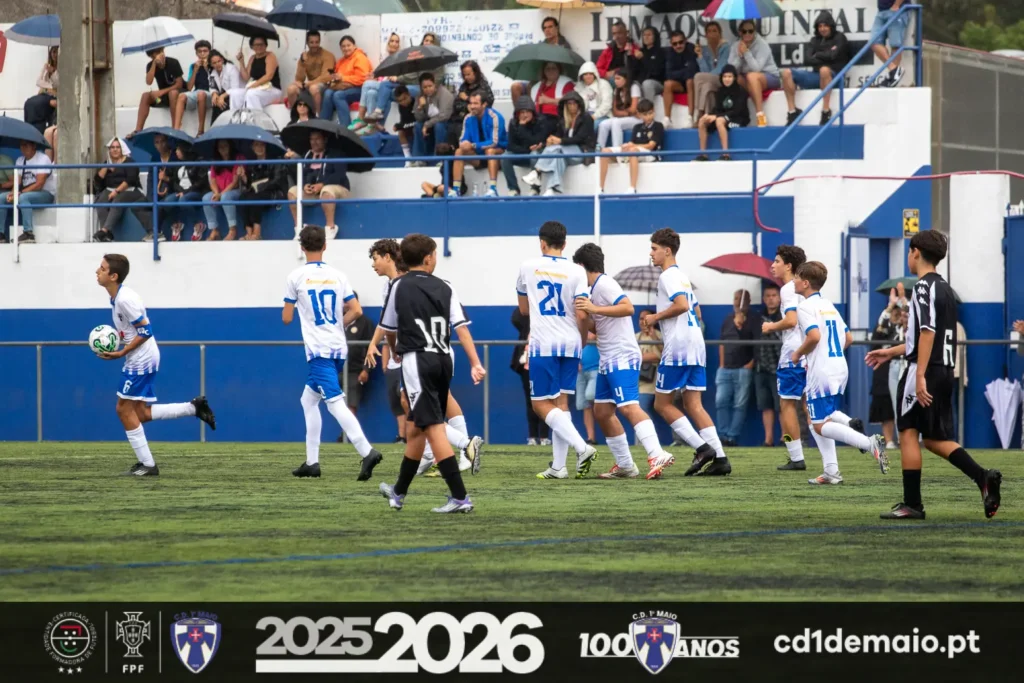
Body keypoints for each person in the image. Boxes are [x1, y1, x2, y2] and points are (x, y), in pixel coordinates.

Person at [867, 232, 1001, 519]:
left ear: (915, 252)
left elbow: (927, 333)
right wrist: (891, 351)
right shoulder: (945, 288)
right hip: (943, 369)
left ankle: (912, 504)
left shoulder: (923, 287)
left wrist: (919, 376)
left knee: (908, 432)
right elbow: (929, 336)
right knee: (933, 438)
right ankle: (982, 476)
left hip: (924, 370)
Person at [378, 234, 487, 513]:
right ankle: (399, 491)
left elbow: (389, 329)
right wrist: (475, 362)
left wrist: (395, 351)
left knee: (433, 426)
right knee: (416, 428)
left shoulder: (398, 286)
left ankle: (460, 497)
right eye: (435, 254)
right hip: (443, 360)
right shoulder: (446, 286)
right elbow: (461, 327)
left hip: (417, 360)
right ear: (428, 258)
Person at [94, 254, 217, 477]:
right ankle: (193, 408)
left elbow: (146, 331)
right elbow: (134, 331)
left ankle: (148, 465)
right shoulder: (117, 297)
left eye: (102, 269)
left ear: (114, 276)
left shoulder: (124, 300)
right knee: (139, 413)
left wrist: (121, 352)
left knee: (123, 409)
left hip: (141, 359)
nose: (97, 271)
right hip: (141, 356)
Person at [283, 226, 383, 481]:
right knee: (308, 400)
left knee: (334, 402)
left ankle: (366, 450)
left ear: (302, 247)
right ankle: (312, 462)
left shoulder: (295, 276)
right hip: (339, 347)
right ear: (325, 245)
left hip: (318, 349)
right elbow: (357, 310)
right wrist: (337, 322)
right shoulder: (338, 275)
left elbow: (286, 318)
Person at [574, 243, 676, 480]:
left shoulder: (605, 283)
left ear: (581, 266)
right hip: (608, 357)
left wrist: (592, 307)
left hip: (622, 355)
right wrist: (583, 314)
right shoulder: (592, 290)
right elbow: (598, 325)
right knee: (601, 411)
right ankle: (625, 465)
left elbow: (628, 308)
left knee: (629, 407)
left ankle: (656, 453)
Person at [790, 262, 887, 485]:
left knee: (819, 425)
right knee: (820, 415)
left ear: (805, 283)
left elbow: (813, 337)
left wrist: (797, 354)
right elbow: (849, 339)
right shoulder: (828, 305)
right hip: (838, 367)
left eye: (796, 277)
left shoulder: (804, 307)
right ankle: (831, 472)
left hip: (822, 372)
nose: (793, 281)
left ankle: (869, 443)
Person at [640, 228, 728, 475]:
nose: (651, 253)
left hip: (678, 347)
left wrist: (655, 316)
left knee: (662, 404)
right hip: (695, 346)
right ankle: (720, 459)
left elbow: (681, 305)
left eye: (654, 248)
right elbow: (696, 312)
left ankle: (702, 448)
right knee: (693, 404)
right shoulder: (683, 277)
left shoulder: (668, 276)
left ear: (667, 250)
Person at [518, 221, 599, 479]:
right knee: (562, 402)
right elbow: (582, 312)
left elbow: (523, 310)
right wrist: (582, 339)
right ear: (565, 244)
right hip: (571, 341)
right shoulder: (577, 272)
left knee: (540, 404)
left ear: (542, 242)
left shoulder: (528, 267)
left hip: (544, 342)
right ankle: (558, 466)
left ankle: (582, 447)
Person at [763, 245, 809, 469]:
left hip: (793, 354)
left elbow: (791, 321)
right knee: (810, 407)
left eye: (777, 261)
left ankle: (796, 457)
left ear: (789, 266)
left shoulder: (788, 289)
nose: (773, 265)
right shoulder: (806, 288)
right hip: (810, 354)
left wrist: (771, 326)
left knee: (786, 404)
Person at [366, 239, 407, 444]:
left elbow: (390, 324)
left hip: (418, 350)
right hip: (404, 352)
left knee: (414, 403)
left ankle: (461, 442)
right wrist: (375, 344)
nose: (373, 265)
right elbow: (386, 321)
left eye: (375, 259)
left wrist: (391, 347)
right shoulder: (388, 287)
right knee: (406, 402)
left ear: (387, 257)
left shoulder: (407, 282)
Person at [781, 11, 851, 126]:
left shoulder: (840, 38)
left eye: (825, 25)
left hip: (835, 77)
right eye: (820, 26)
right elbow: (807, 59)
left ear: (831, 26)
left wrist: (817, 55)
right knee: (786, 73)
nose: (823, 29)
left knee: (824, 70)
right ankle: (792, 112)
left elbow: (833, 56)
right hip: (816, 76)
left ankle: (826, 111)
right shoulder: (814, 40)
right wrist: (826, 55)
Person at [524, 91, 595, 196]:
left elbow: (580, 138)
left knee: (558, 149)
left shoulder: (586, 118)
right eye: (569, 104)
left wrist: (560, 141)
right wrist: (547, 143)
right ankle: (551, 188)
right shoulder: (563, 120)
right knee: (558, 156)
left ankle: (537, 172)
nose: (572, 106)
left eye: (574, 103)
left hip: (581, 151)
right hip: (564, 152)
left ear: (579, 104)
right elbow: (558, 137)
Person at [287, 130, 350, 240]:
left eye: (317, 139)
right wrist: (305, 185)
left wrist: (322, 184)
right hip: (315, 191)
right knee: (292, 191)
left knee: (327, 190)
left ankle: (330, 228)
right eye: (312, 139)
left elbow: (339, 175)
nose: (314, 142)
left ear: (325, 140)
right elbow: (302, 174)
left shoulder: (336, 153)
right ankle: (299, 228)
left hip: (338, 188)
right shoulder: (307, 155)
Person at [355, 33, 421, 133]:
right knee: (371, 93)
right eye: (392, 41)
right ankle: (373, 124)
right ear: (388, 43)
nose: (394, 44)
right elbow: (383, 79)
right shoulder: (385, 58)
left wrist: (397, 77)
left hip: (397, 86)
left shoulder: (402, 58)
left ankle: (361, 118)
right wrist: (375, 77)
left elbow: (402, 77)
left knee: (367, 84)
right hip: (386, 87)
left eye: (397, 41)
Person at [92, 138, 153, 243]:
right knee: (100, 201)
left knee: (118, 199)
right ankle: (107, 235)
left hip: (131, 191)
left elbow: (130, 180)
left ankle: (104, 230)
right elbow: (98, 180)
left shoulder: (129, 162)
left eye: (117, 147)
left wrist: (116, 191)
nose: (115, 150)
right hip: (111, 190)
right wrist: (107, 165)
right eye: (112, 147)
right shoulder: (107, 163)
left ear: (122, 149)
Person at [715, 290, 757, 447]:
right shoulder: (727, 319)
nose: (738, 301)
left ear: (749, 301)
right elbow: (721, 342)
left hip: (743, 368)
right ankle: (723, 436)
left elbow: (758, 343)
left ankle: (732, 437)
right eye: (736, 298)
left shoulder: (753, 319)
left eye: (742, 299)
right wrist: (721, 364)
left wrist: (750, 365)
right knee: (720, 402)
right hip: (725, 369)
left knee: (740, 405)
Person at [598, 98, 663, 194]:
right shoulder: (637, 127)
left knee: (632, 151)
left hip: (651, 155)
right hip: (635, 150)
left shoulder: (658, 126)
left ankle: (632, 188)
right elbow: (632, 143)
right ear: (640, 115)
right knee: (605, 151)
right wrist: (626, 146)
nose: (648, 117)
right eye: (645, 114)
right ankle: (601, 188)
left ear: (654, 111)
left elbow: (651, 146)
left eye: (650, 113)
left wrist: (632, 146)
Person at [449, 92, 506, 198]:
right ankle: (456, 190)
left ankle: (493, 189)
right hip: (478, 155)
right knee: (458, 151)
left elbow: (494, 142)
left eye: (476, 103)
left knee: (490, 150)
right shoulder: (468, 118)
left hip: (497, 152)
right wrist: (464, 144)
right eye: (471, 103)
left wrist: (473, 145)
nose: (472, 106)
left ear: (484, 104)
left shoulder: (495, 117)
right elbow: (463, 139)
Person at [0, 140, 56, 245]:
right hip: (26, 193)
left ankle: (28, 233)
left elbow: (39, 184)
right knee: (2, 198)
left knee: (23, 198)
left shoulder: (43, 159)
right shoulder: (20, 160)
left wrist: (20, 193)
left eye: (26, 145)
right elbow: (17, 182)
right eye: (21, 145)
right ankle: (1, 234)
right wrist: (12, 193)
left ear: (34, 146)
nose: (23, 148)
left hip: (45, 194)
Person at [729, 20, 781, 127]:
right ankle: (737, 115)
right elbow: (731, 70)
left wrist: (747, 53)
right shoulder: (735, 46)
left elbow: (757, 68)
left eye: (750, 31)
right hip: (750, 80)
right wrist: (740, 56)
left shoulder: (762, 44)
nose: (747, 34)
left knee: (751, 76)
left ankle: (760, 115)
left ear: (754, 32)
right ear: (740, 33)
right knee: (735, 78)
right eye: (744, 31)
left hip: (770, 76)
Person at [510, 16, 574, 101]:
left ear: (557, 28)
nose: (547, 30)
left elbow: (566, 66)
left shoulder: (564, 45)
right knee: (515, 87)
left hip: (554, 80)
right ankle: (520, 113)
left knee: (533, 88)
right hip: (538, 78)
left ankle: (533, 111)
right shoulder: (541, 46)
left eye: (550, 27)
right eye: (545, 28)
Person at [512, 307, 550, 445]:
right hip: (527, 367)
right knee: (530, 402)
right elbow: (516, 318)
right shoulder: (526, 325)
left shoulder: (550, 325)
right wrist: (527, 300)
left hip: (545, 366)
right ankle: (533, 436)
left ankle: (545, 437)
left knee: (546, 401)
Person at [695, 65, 749, 161]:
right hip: (723, 117)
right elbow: (718, 109)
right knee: (702, 121)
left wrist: (716, 116)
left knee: (719, 121)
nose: (727, 79)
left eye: (729, 77)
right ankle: (703, 154)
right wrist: (709, 115)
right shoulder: (720, 91)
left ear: (734, 78)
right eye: (724, 77)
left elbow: (737, 111)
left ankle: (726, 154)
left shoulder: (741, 91)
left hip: (738, 119)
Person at [238, 140, 288, 241]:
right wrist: (244, 178)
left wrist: (260, 186)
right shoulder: (252, 164)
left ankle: (257, 232)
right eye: (256, 145)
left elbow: (277, 180)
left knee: (255, 197)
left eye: (262, 145)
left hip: (273, 191)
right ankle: (249, 232)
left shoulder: (275, 160)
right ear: (252, 148)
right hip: (257, 192)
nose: (259, 148)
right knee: (242, 197)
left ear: (266, 147)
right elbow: (249, 185)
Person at [129, 48, 184, 137]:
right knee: (146, 95)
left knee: (172, 93)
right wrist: (154, 64)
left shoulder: (173, 62)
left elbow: (179, 84)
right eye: (158, 53)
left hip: (178, 94)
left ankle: (175, 128)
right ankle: (138, 130)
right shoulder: (150, 65)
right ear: (151, 56)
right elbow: (148, 82)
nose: (161, 54)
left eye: (162, 51)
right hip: (162, 98)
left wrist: (161, 92)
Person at [869, 303, 901, 448]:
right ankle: (889, 440)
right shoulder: (884, 326)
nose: (896, 315)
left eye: (898, 312)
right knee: (885, 404)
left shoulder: (904, 328)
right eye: (894, 312)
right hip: (884, 371)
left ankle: (904, 439)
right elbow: (874, 342)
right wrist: (888, 308)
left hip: (902, 366)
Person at [320, 36, 372, 126]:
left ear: (354, 46)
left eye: (348, 45)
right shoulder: (341, 61)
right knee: (328, 93)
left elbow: (362, 79)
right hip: (345, 88)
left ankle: (346, 127)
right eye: (343, 46)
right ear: (341, 48)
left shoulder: (360, 57)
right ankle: (323, 126)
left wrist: (343, 78)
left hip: (360, 89)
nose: (346, 48)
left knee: (338, 95)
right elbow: (337, 76)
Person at [163, 143, 209, 242]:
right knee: (167, 202)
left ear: (185, 150)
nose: (176, 152)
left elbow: (200, 182)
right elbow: (175, 181)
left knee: (183, 200)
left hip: (195, 191)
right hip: (181, 191)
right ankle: (176, 224)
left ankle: (198, 224)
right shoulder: (177, 163)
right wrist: (180, 190)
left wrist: (186, 192)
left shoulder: (198, 161)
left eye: (178, 149)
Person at [755, 284, 782, 447]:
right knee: (765, 406)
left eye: (774, 295)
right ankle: (768, 440)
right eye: (768, 296)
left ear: (779, 298)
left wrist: (772, 327)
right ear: (764, 299)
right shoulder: (757, 318)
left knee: (784, 407)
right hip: (761, 368)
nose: (771, 299)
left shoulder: (784, 316)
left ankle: (786, 440)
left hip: (779, 368)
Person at [202, 139, 245, 241]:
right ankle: (215, 230)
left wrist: (220, 195)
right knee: (206, 198)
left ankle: (232, 230)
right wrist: (216, 192)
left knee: (226, 197)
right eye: (220, 146)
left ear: (230, 146)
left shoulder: (238, 158)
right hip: (219, 191)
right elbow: (212, 180)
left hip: (236, 190)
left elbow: (234, 183)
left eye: (225, 146)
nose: (223, 149)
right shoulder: (215, 161)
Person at [503, 97, 546, 196]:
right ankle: (513, 189)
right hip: (522, 154)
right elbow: (510, 146)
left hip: (536, 157)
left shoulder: (540, 121)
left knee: (534, 154)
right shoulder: (513, 123)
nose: (525, 115)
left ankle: (535, 189)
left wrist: (522, 128)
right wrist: (527, 150)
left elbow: (536, 141)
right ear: (518, 113)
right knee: (505, 156)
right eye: (522, 112)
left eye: (527, 111)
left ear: (532, 111)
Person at [342, 293, 375, 418]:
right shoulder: (335, 321)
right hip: (336, 370)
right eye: (343, 302)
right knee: (336, 403)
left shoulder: (365, 323)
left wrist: (366, 370)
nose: (346, 305)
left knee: (351, 403)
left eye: (348, 302)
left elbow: (371, 349)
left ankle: (348, 435)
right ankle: (344, 434)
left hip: (355, 371)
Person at [285, 30, 336, 112]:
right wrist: (302, 62)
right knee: (291, 89)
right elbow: (299, 78)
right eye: (311, 42)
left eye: (317, 42)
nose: (314, 45)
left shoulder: (328, 55)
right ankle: (295, 116)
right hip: (309, 85)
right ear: (307, 43)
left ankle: (317, 117)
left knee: (313, 88)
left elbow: (326, 77)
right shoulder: (305, 56)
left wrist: (310, 83)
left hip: (325, 85)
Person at [229, 37, 282, 112]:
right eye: (256, 45)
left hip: (272, 89)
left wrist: (253, 86)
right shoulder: (252, 58)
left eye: (261, 44)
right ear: (252, 46)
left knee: (251, 94)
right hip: (256, 89)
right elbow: (246, 78)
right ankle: (236, 119)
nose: (259, 47)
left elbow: (268, 76)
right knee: (235, 94)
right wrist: (241, 62)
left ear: (265, 45)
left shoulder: (270, 56)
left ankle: (255, 120)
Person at [412, 72, 454, 165]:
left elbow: (444, 115)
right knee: (418, 125)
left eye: (430, 86)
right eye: (425, 87)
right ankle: (420, 159)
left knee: (439, 126)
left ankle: (440, 159)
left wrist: (427, 124)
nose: (428, 89)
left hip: (446, 123)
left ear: (435, 84)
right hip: (431, 124)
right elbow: (419, 118)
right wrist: (420, 107)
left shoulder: (444, 93)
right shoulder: (420, 96)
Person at [693, 21, 731, 121]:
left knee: (698, 77)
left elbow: (721, 68)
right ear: (706, 35)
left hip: (722, 79)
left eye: (715, 31)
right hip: (712, 81)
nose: (712, 33)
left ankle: (697, 111)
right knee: (706, 87)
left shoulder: (725, 47)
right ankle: (705, 117)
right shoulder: (706, 49)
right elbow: (705, 71)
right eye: (709, 31)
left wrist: (707, 76)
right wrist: (700, 55)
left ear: (720, 33)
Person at [173, 40, 212, 135]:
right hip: (197, 91)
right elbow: (189, 88)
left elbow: (215, 84)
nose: (202, 54)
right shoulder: (193, 66)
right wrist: (195, 71)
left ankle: (200, 130)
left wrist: (208, 69)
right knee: (182, 96)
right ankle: (176, 129)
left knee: (201, 94)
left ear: (209, 52)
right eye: (200, 51)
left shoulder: (213, 64)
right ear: (196, 53)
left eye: (205, 51)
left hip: (210, 92)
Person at [597, 69, 641, 151]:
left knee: (616, 122)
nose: (615, 81)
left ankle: (616, 151)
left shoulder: (634, 87)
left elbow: (634, 109)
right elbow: (615, 112)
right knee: (603, 124)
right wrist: (627, 112)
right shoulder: (616, 90)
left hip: (638, 119)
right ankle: (598, 151)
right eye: (615, 79)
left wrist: (625, 112)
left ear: (626, 79)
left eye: (618, 79)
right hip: (626, 117)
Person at [663, 31, 699, 126]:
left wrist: (682, 72)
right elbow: (669, 74)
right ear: (671, 44)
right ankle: (667, 119)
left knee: (689, 81)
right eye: (675, 44)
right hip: (679, 84)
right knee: (667, 84)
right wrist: (685, 71)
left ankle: (690, 117)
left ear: (685, 41)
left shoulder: (691, 49)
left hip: (691, 82)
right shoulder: (669, 53)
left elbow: (693, 70)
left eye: (681, 42)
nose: (678, 45)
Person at [870, 0, 908, 88]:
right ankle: (894, 69)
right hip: (882, 11)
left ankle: (892, 79)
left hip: (898, 10)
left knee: (895, 44)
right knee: (874, 42)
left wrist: (896, 4)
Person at [530, 62, 575, 133]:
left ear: (559, 70)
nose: (551, 71)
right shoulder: (537, 87)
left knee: (543, 124)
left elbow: (570, 101)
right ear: (544, 71)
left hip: (557, 118)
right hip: (538, 118)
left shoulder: (566, 83)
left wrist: (548, 100)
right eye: (548, 69)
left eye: (554, 68)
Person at [24, 46, 59, 134]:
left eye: (57, 52)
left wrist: (54, 72)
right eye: (53, 52)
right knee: (30, 103)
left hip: (56, 95)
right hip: (46, 93)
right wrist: (46, 71)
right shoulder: (47, 66)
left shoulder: (61, 69)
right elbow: (39, 82)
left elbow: (60, 84)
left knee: (43, 104)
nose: (55, 55)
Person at [452, 61, 495, 129]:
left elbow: (488, 102)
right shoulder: (464, 86)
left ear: (475, 73)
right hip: (462, 118)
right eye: (464, 75)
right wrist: (467, 106)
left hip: (479, 119)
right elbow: (456, 104)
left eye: (468, 74)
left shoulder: (483, 85)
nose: (466, 77)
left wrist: (467, 98)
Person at [576, 332, 600, 444]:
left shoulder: (598, 323)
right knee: (584, 405)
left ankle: (611, 432)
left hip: (596, 368)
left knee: (590, 395)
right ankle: (591, 438)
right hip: (581, 370)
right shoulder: (577, 326)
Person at [575, 61, 613, 127]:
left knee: (591, 125)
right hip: (585, 115)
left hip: (603, 115)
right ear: (582, 76)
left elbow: (606, 105)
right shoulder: (579, 87)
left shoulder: (603, 84)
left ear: (595, 74)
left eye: (590, 74)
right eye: (585, 74)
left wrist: (594, 116)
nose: (588, 76)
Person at [208, 51, 242, 123]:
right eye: (214, 63)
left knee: (223, 103)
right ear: (211, 64)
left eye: (219, 61)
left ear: (222, 60)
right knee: (215, 102)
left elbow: (235, 88)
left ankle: (223, 128)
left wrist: (222, 96)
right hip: (225, 94)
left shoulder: (231, 68)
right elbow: (212, 87)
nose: (217, 64)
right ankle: (214, 129)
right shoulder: (212, 72)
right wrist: (214, 94)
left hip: (236, 95)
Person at [637, 27, 666, 107]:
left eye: (649, 35)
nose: (646, 37)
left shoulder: (660, 52)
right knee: (634, 84)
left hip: (657, 83)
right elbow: (635, 70)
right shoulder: (640, 51)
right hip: (641, 81)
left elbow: (656, 71)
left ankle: (647, 111)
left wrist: (643, 59)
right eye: (644, 35)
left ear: (655, 37)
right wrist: (630, 56)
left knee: (647, 84)